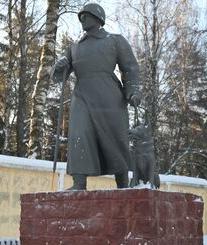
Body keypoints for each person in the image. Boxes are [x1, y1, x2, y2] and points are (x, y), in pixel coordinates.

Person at [51, 3, 141, 190]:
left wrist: (132, 91)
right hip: (82, 95)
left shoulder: (115, 40)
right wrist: (59, 66)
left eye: (87, 15)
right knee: (79, 135)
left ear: (98, 18)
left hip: (110, 97)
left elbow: (130, 68)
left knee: (115, 137)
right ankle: (79, 183)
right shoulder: (74, 47)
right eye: (81, 16)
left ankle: (122, 185)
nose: (82, 19)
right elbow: (58, 77)